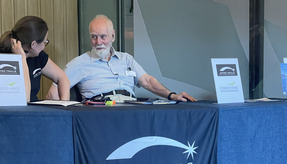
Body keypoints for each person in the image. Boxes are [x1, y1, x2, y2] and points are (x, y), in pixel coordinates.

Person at [46, 14, 196, 102]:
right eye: (94, 37)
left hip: (131, 109)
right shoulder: (80, 63)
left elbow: (147, 81)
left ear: (113, 35)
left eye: (103, 37)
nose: (98, 42)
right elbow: (52, 94)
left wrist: (172, 95)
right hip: (100, 113)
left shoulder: (126, 59)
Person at [0, 16, 70, 102]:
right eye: (45, 42)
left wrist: (64, 103)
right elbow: (25, 99)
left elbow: (62, 78)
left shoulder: (38, 56)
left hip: (33, 110)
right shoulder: (5, 58)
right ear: (33, 44)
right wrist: (21, 59)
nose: (44, 46)